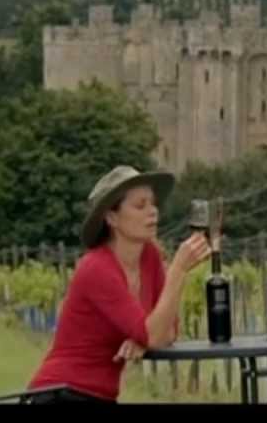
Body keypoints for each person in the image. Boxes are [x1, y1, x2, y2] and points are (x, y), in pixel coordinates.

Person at [27, 165, 210, 403]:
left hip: (98, 396)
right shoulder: (96, 268)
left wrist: (142, 341)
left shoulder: (150, 257)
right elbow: (154, 334)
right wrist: (178, 269)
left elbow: (169, 331)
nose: (153, 212)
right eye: (140, 205)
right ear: (112, 217)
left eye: (153, 204)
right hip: (62, 392)